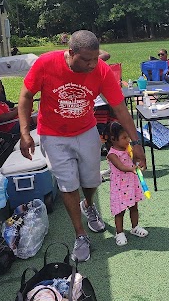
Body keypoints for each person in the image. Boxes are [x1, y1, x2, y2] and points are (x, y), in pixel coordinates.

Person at [18, 30, 146, 263]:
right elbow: (26, 95)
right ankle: (81, 235)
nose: (91, 65)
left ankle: (88, 205)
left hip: (86, 130)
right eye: (86, 60)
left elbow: (119, 109)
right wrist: (25, 133)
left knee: (91, 180)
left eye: (95, 58)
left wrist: (136, 143)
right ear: (70, 53)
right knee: (68, 184)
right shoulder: (46, 64)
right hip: (53, 134)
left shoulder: (100, 70)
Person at [105, 121, 148, 246]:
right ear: (113, 139)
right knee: (120, 211)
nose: (128, 140)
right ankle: (119, 233)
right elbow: (120, 166)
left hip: (130, 184)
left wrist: (137, 162)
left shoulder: (128, 149)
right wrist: (131, 169)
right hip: (119, 187)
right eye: (124, 138)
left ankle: (135, 227)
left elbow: (133, 160)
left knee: (134, 207)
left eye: (128, 137)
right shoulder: (112, 154)